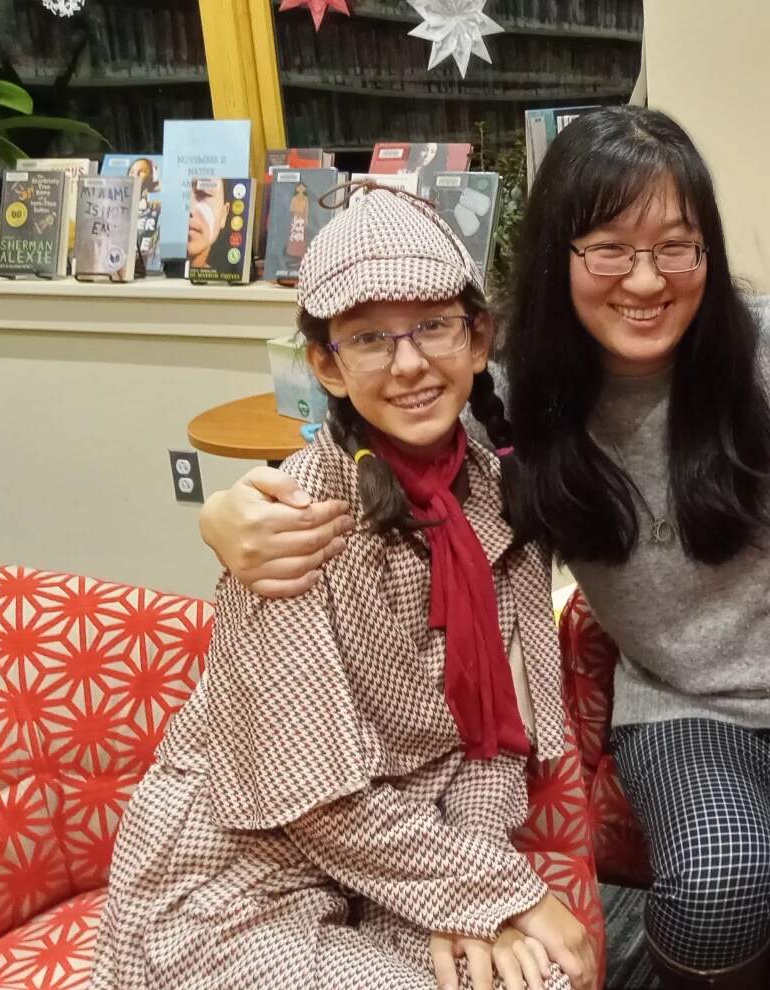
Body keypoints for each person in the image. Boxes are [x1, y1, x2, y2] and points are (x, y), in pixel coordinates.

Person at [195, 106, 770, 990]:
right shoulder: (511, 390)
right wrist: (227, 515)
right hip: (676, 702)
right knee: (717, 887)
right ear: (558, 253)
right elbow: (392, 440)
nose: (645, 281)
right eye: (607, 248)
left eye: (674, 246)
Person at [93, 186, 597, 990]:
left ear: (478, 338)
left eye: (433, 325)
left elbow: (496, 735)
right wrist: (506, 894)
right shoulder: (288, 526)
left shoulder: (501, 490)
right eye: (368, 338)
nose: (408, 364)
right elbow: (315, 803)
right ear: (326, 364)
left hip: (402, 850)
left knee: (528, 979)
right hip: (238, 875)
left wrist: (478, 891)